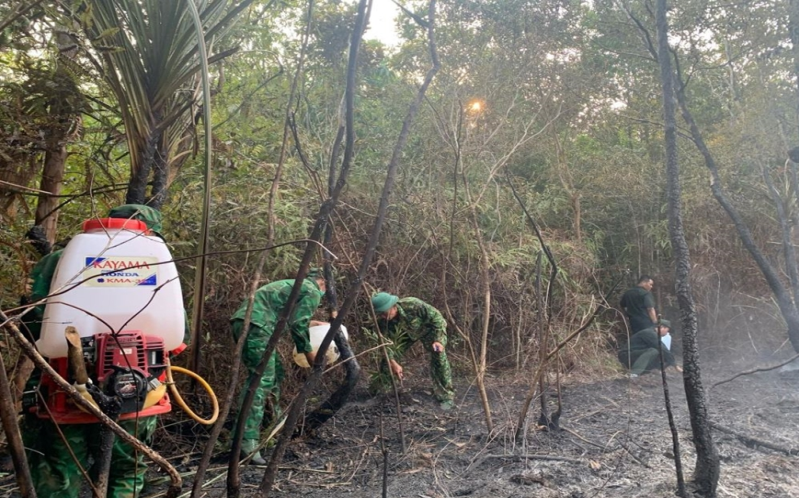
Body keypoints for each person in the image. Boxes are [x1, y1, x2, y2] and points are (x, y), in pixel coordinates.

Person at [22, 204, 170, 498]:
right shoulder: (156, 259)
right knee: (127, 471)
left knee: (58, 473)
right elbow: (177, 336)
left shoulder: (59, 258)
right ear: (151, 231)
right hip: (139, 392)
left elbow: (32, 324)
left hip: (63, 391)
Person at [231, 269, 326, 464]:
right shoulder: (313, 290)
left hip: (248, 322)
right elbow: (298, 325)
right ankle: (246, 440)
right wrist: (310, 356)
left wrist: (311, 323)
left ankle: (271, 427)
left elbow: (293, 317)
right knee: (261, 381)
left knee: (276, 375)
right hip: (258, 326)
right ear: (323, 282)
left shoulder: (298, 284)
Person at [371, 292, 455, 410]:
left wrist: (439, 340)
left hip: (427, 330)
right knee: (387, 362)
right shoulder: (382, 322)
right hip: (403, 335)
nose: (382, 317)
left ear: (393, 306)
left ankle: (446, 396)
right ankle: (382, 392)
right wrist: (393, 363)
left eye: (384, 313)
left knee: (439, 358)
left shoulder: (413, 305)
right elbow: (385, 345)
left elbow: (438, 318)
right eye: (380, 314)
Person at [618, 319, 682, 377]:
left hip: (637, 356)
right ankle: (634, 373)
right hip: (626, 356)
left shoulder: (652, 333)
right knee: (654, 351)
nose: (667, 333)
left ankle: (653, 371)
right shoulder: (649, 333)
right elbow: (662, 348)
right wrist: (675, 365)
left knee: (663, 355)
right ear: (662, 327)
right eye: (667, 330)